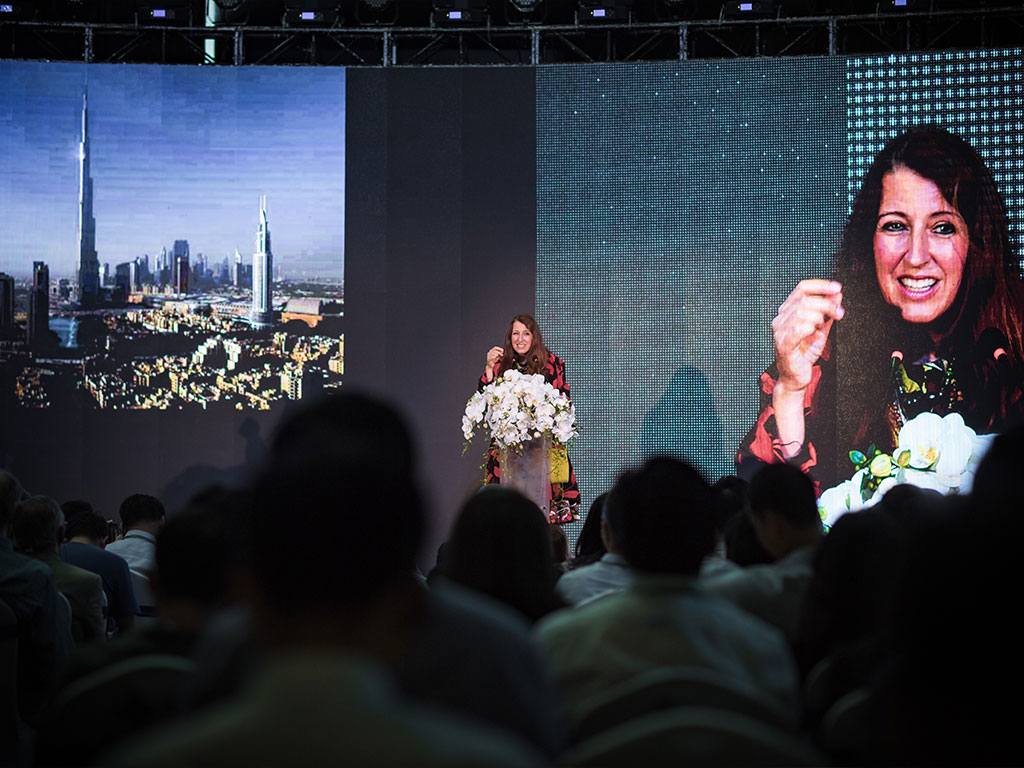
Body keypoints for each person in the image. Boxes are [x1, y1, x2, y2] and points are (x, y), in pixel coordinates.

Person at [739, 127, 1024, 489]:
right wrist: (792, 392)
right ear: (867, 242)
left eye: (942, 227)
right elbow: (771, 513)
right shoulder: (827, 359)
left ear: (977, 242)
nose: (917, 256)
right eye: (895, 226)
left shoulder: (1011, 350)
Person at [479, 313, 580, 522]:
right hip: (509, 450)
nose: (520, 339)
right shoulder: (500, 364)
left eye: (526, 333)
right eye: (516, 333)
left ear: (534, 337)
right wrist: (489, 368)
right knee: (507, 514)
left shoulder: (552, 363)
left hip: (545, 447)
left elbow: (563, 402)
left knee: (546, 514)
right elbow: (484, 402)